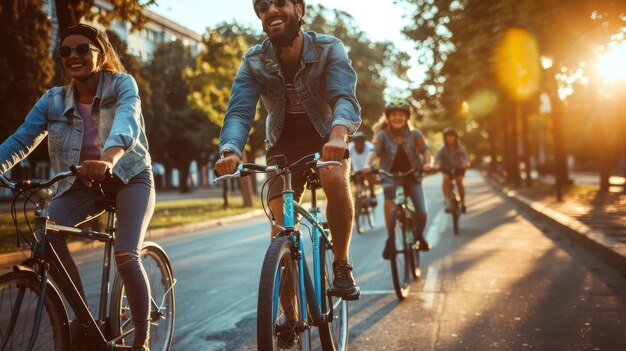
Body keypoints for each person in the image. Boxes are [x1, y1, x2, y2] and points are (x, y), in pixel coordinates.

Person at [0, 24, 153, 351]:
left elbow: (127, 121)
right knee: (47, 234)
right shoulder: (52, 101)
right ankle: (85, 320)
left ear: (101, 54)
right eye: (65, 51)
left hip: (130, 176)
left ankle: (141, 340)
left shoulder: (122, 85)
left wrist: (109, 157)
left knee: (126, 253)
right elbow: (20, 140)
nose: (73, 56)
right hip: (83, 184)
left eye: (82, 49)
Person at [214, 0, 361, 298]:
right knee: (281, 224)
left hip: (326, 137)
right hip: (282, 144)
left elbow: (343, 97)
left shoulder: (329, 49)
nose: (271, 10)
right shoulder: (253, 60)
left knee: (334, 176)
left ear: (299, 9)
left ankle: (342, 264)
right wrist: (230, 151)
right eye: (263, 6)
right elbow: (240, 112)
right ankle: (289, 317)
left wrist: (338, 137)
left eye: (279, 2)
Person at [364, 99, 433, 259]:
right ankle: (391, 239)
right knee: (389, 201)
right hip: (390, 176)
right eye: (393, 115)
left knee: (421, 213)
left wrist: (428, 163)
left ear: (406, 117)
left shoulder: (415, 134)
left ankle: (419, 235)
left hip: (412, 175)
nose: (397, 118)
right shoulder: (382, 135)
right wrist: (368, 164)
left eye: (401, 115)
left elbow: (426, 151)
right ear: (388, 117)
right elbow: (374, 151)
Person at [434, 127, 470, 213]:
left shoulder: (460, 147)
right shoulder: (442, 148)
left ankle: (463, 203)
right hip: (446, 169)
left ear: (455, 137)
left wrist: (465, 164)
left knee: (459, 181)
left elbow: (465, 158)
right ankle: (447, 203)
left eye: (452, 136)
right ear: (445, 138)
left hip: (459, 168)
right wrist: (436, 165)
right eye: (448, 136)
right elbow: (437, 159)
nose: (450, 138)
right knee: (445, 179)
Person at [348, 131, 377, 205]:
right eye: (357, 142)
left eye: (361, 141)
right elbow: (346, 159)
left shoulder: (370, 147)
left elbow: (374, 159)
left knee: (372, 176)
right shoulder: (350, 147)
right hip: (356, 171)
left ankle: (372, 193)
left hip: (368, 169)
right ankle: (359, 199)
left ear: (364, 142)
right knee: (358, 187)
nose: (359, 143)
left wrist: (370, 168)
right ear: (354, 142)